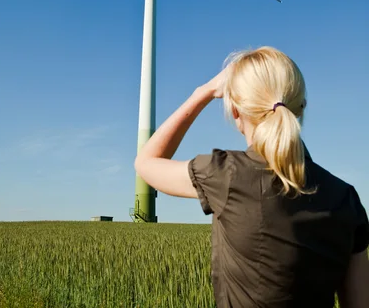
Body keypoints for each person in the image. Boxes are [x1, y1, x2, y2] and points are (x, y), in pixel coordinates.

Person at [134, 46, 369, 308]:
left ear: (236, 111)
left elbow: (145, 163)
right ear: (301, 108)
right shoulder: (346, 198)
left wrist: (204, 92)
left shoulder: (226, 175)